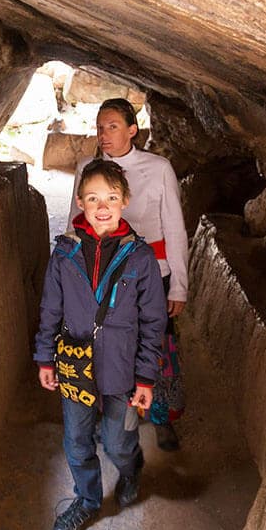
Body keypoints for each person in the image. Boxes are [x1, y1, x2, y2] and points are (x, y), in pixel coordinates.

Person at [35, 159, 167, 530]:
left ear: (125, 200)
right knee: (76, 440)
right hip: (75, 363)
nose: (102, 206)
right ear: (80, 202)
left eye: (110, 197)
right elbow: (50, 309)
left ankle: (131, 467)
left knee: (117, 441)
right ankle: (88, 499)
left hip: (122, 370)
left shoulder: (140, 259)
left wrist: (145, 377)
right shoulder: (64, 253)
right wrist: (45, 357)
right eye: (93, 198)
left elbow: (153, 322)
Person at [68, 98, 189, 451]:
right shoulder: (87, 168)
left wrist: (178, 285)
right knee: (104, 345)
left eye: (113, 127)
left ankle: (162, 416)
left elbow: (175, 228)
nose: (104, 134)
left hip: (154, 273)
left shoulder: (158, 168)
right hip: (102, 273)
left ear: (132, 130)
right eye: (100, 127)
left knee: (159, 342)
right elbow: (75, 228)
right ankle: (110, 419)